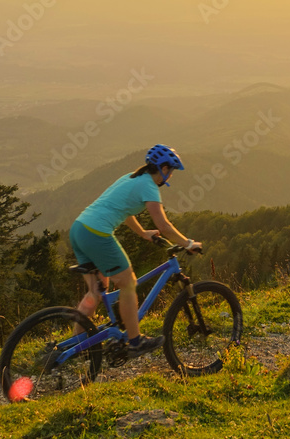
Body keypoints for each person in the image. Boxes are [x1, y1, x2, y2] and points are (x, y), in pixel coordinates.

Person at [69, 144, 202, 357]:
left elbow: (126, 210)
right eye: (171, 171)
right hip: (97, 233)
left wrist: (142, 233)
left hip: (79, 229)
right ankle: (135, 341)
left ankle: (74, 346)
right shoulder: (149, 186)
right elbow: (164, 225)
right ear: (165, 168)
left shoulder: (131, 178)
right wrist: (188, 243)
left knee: (95, 291)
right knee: (128, 282)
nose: (170, 176)